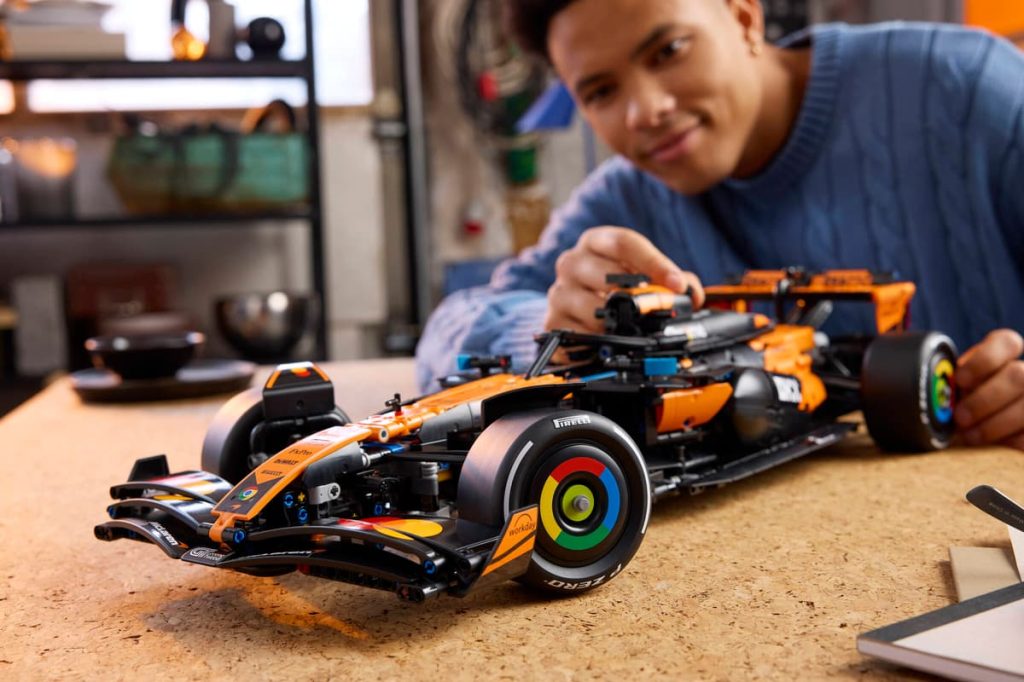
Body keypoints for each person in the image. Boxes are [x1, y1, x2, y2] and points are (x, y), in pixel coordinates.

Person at [415, 0, 1024, 450]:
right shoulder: (626, 200)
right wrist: (548, 331)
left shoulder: (969, 91)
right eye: (601, 92)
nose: (645, 110)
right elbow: (450, 327)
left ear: (743, 16)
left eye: (668, 51)